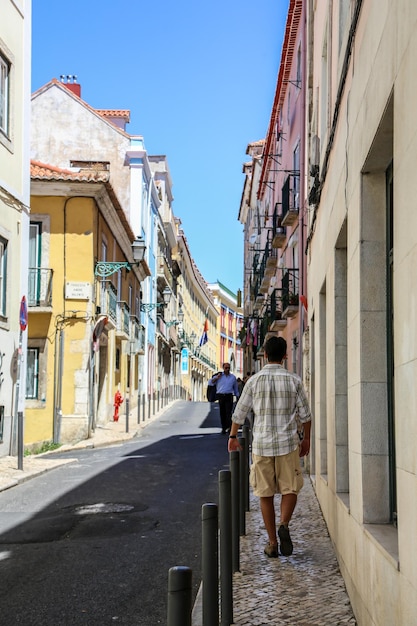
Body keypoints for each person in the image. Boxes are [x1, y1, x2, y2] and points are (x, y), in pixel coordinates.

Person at [228, 336, 311, 558]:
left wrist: (233, 435)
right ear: (285, 356)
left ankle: (273, 542)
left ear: (265, 355)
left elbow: (240, 412)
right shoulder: (294, 381)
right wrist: (307, 439)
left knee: (264, 494)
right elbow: (306, 415)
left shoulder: (253, 382)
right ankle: (284, 523)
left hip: (262, 446)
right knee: (290, 488)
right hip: (288, 444)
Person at [209, 363, 239, 433]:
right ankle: (223, 427)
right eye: (226, 368)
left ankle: (229, 427)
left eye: (228, 368)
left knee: (229, 412)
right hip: (221, 396)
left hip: (229, 396)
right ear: (223, 368)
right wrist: (216, 378)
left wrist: (237, 395)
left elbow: (235, 388)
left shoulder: (233, 377)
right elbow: (211, 383)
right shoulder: (219, 376)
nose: (227, 369)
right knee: (222, 412)